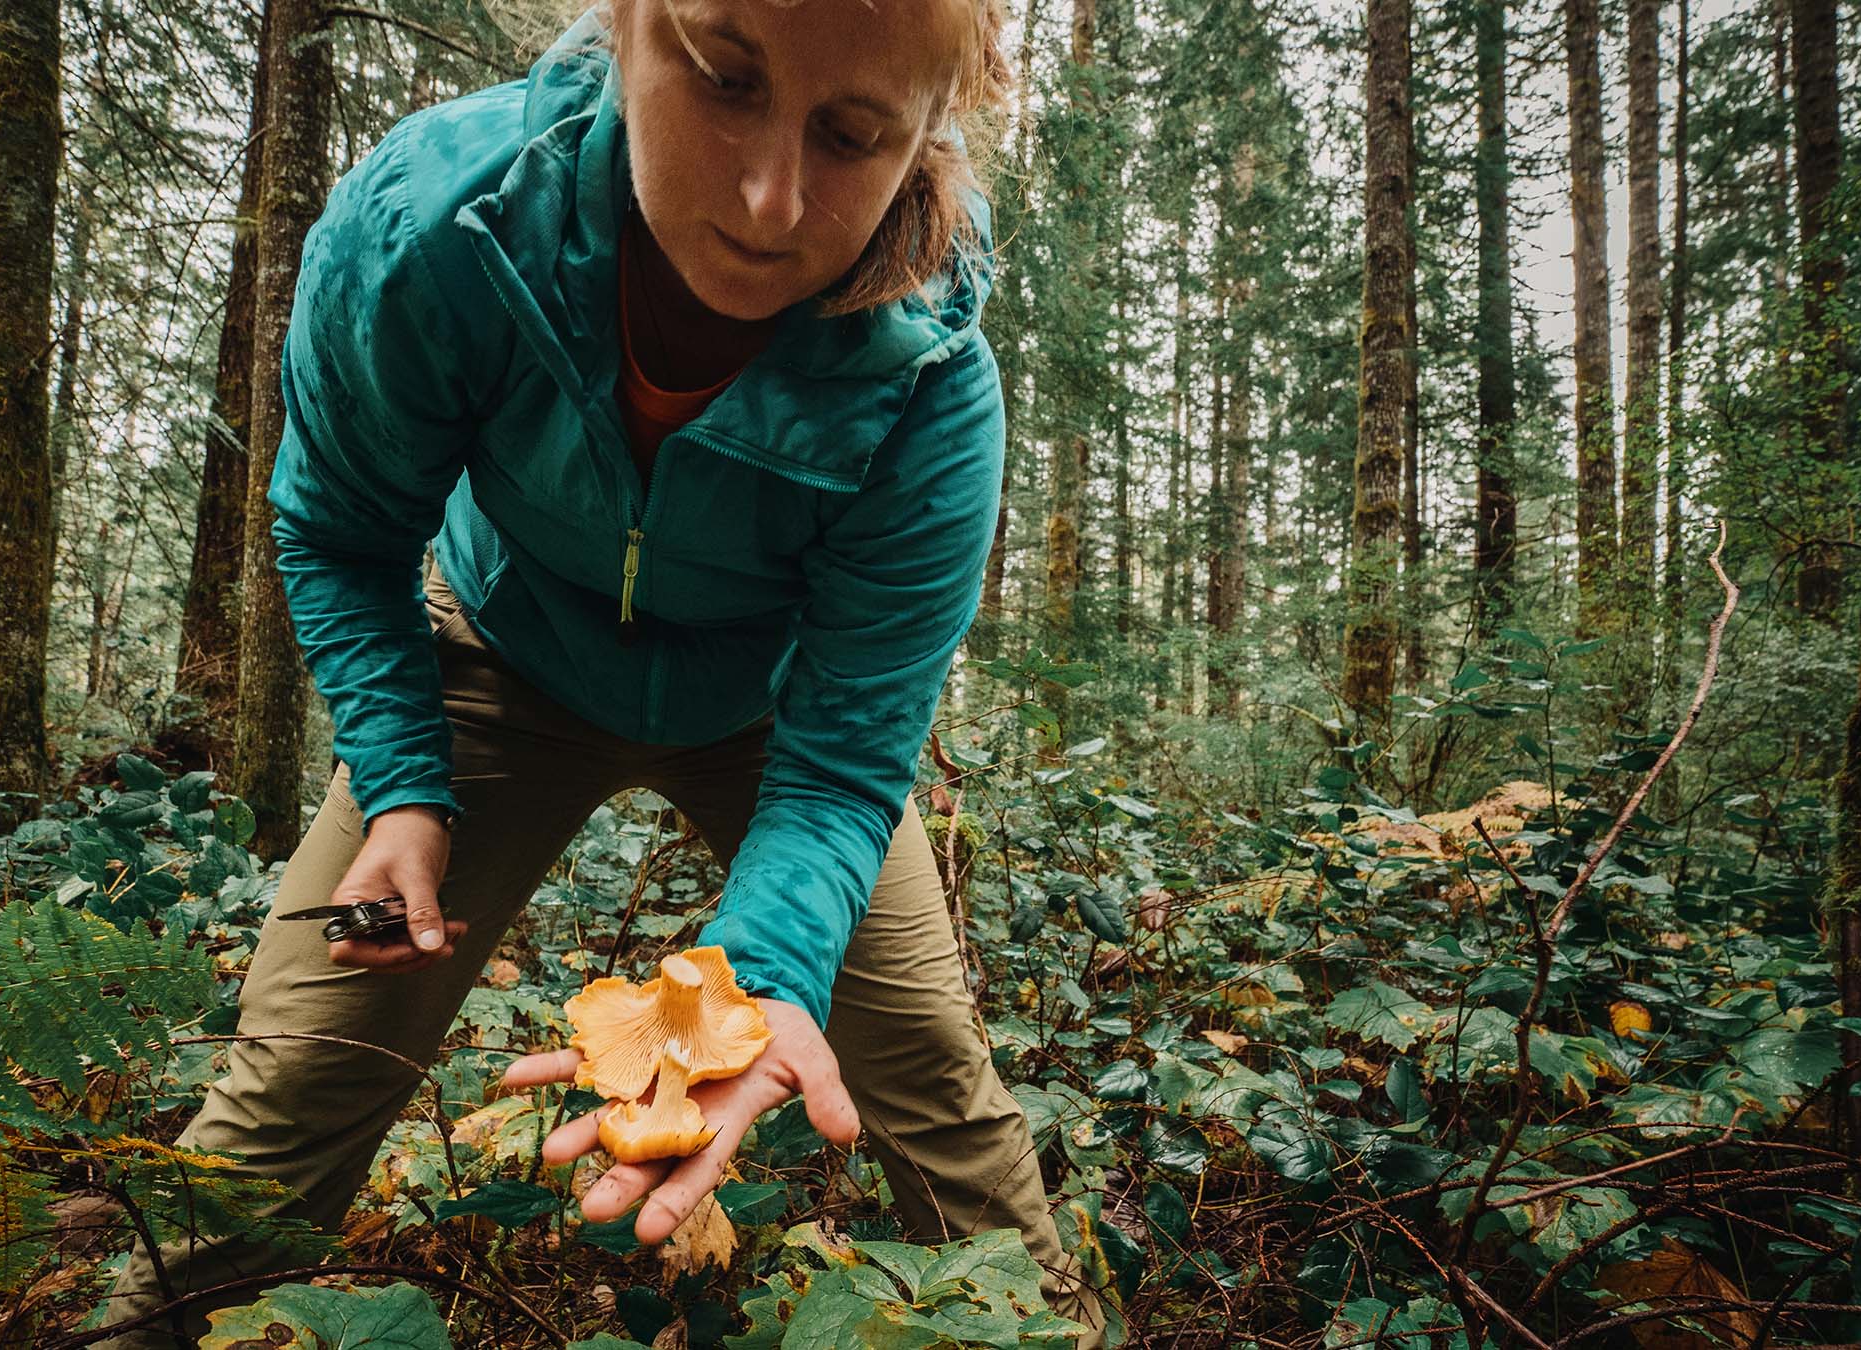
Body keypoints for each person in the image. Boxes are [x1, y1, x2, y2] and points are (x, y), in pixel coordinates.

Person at [95, 1, 1111, 1345]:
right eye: (723, 78)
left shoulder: (928, 383)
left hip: (773, 726)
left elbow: (845, 758)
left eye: (853, 134)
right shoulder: (432, 228)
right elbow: (341, 526)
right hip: (491, 661)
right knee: (301, 1063)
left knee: (926, 1068)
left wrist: (761, 981)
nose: (768, 196)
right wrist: (401, 785)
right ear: (625, 27)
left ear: (928, 137)